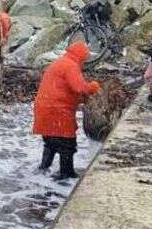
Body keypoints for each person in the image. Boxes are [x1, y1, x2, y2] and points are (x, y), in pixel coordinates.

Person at [32, 41, 101, 181]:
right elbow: (79, 87)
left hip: (45, 107)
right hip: (57, 111)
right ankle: (66, 174)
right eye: (85, 57)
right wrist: (93, 86)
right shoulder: (70, 65)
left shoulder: (62, 62)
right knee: (67, 144)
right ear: (81, 55)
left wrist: (79, 100)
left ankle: (43, 170)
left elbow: (63, 89)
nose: (85, 61)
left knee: (51, 140)